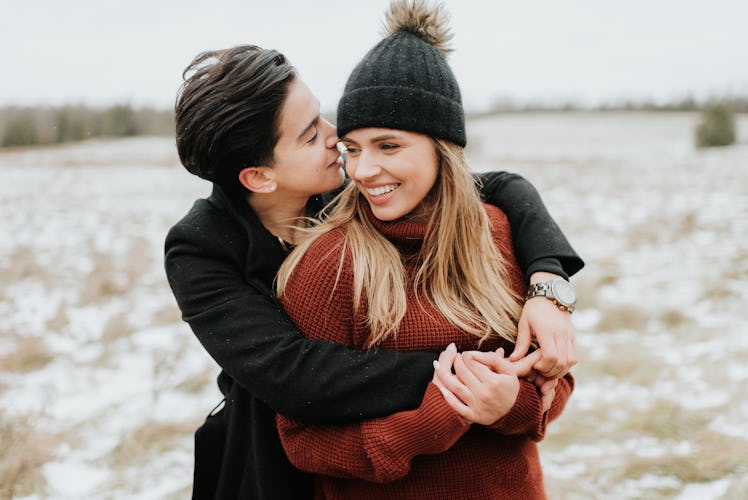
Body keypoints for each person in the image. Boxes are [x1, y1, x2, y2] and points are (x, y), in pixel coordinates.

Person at [165, 33, 582, 500]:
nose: (334, 136)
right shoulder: (200, 250)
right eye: (309, 134)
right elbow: (297, 377)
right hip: (274, 458)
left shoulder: (354, 192)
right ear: (260, 177)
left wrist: (548, 282)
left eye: (320, 113)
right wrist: (470, 373)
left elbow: (497, 186)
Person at [273, 1, 576, 498]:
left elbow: (553, 384)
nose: (364, 170)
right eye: (352, 148)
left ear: (443, 148)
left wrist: (508, 407)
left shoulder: (501, 236)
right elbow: (303, 441)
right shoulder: (327, 264)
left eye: (388, 146)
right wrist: (428, 422)